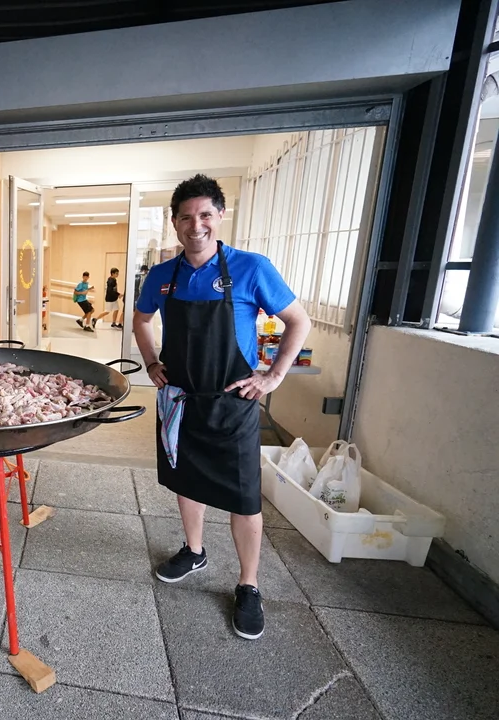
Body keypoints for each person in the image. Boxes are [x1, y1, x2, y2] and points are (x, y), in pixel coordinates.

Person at [132, 174, 310, 641]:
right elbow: (141, 320)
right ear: (174, 222)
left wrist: (273, 375)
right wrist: (151, 362)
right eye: (186, 217)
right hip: (181, 402)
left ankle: (248, 585)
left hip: (234, 404)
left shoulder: (251, 268)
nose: (196, 226)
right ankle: (194, 551)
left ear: (220, 216)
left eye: (205, 215)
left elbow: (298, 321)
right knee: (185, 480)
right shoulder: (162, 276)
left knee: (245, 498)